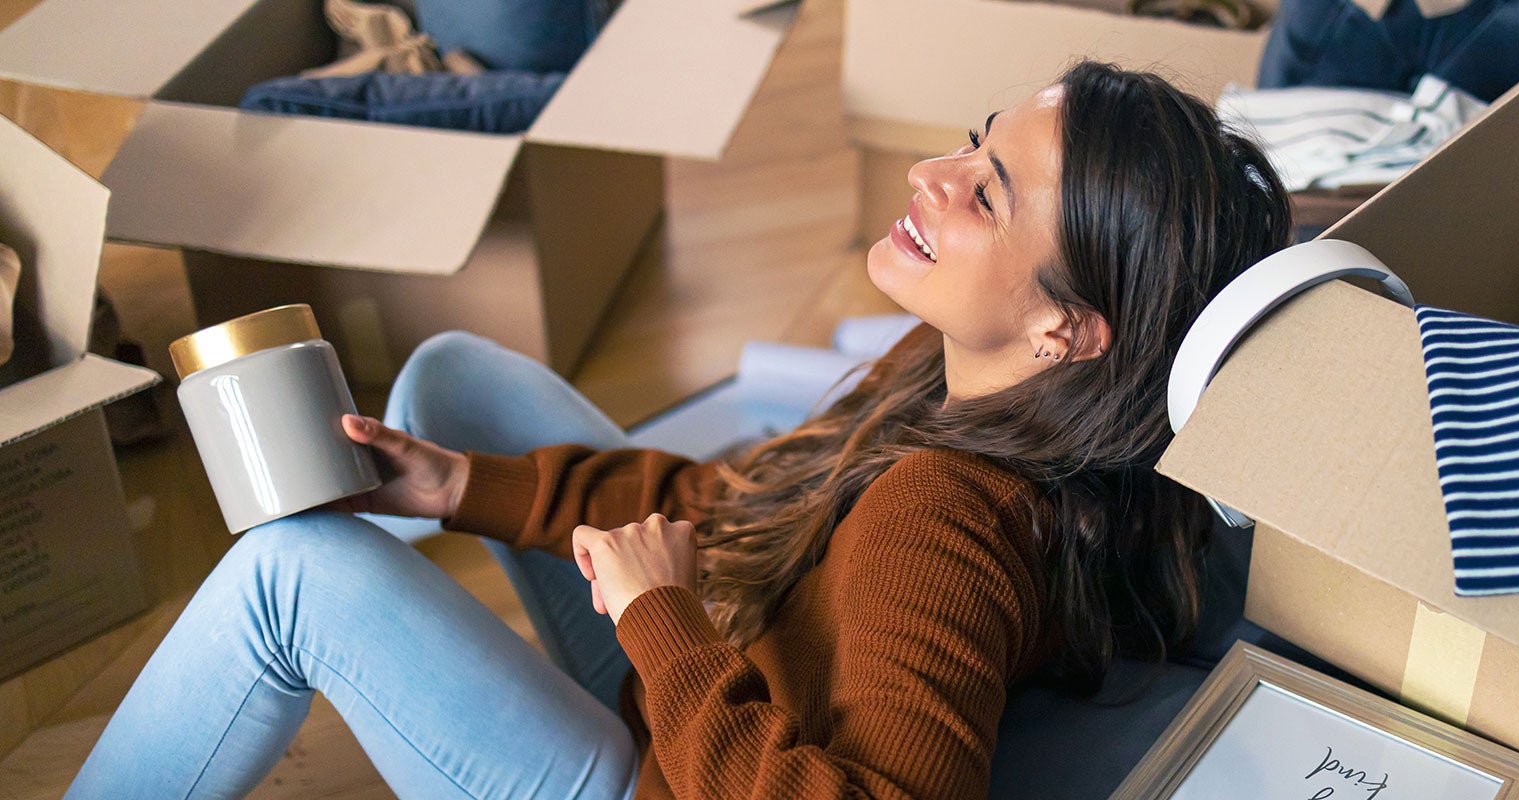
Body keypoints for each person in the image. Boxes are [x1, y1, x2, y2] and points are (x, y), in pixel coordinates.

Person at [65, 61, 1292, 800]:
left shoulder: (948, 517)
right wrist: (458, 485)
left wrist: (662, 624)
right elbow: (765, 505)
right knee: (448, 379)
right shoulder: (964, 371)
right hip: (723, 688)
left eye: (987, 193)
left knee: (292, 575)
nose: (933, 173)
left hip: (682, 767)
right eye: (975, 141)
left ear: (1068, 328)